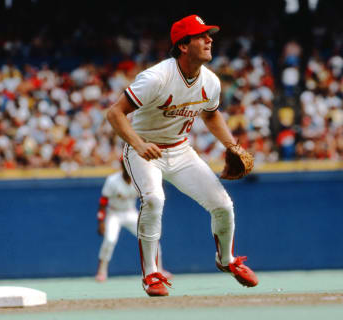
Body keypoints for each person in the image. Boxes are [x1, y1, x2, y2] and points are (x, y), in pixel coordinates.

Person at [106, 14, 258, 297]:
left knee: (223, 205)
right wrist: (138, 144)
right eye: (202, 36)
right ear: (184, 45)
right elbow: (115, 113)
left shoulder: (210, 82)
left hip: (179, 149)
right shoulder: (156, 77)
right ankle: (151, 274)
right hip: (144, 149)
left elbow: (211, 116)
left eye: (209, 35)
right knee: (153, 199)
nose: (210, 39)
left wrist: (231, 145)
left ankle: (227, 260)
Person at [95, 160, 172, 282]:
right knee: (110, 239)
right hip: (114, 213)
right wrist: (101, 221)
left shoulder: (139, 179)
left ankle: (159, 269)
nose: (129, 167)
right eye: (126, 164)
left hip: (130, 212)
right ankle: (101, 271)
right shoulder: (112, 180)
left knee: (152, 237)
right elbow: (103, 201)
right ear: (122, 166)